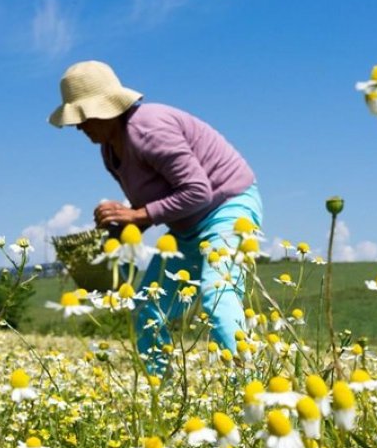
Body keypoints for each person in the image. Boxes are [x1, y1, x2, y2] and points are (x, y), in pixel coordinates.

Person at [49, 60, 262, 373]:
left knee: (219, 295)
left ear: (105, 109)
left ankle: (248, 392)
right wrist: (122, 226)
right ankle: (158, 393)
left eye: (82, 117)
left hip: (227, 208)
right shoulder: (110, 149)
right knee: (147, 309)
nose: (78, 127)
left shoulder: (149, 129)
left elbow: (198, 191)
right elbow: (155, 204)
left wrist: (136, 215)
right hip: (187, 226)